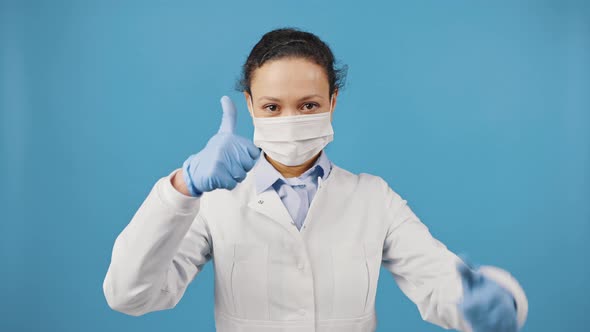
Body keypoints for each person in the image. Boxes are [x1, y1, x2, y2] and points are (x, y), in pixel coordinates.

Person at [103, 27, 528, 332]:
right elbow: (129, 295)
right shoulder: (216, 203)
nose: (290, 120)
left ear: (333, 102)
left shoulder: (373, 198)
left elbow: (440, 280)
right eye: (272, 107)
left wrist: (496, 304)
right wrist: (184, 186)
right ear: (249, 105)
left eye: (308, 105)